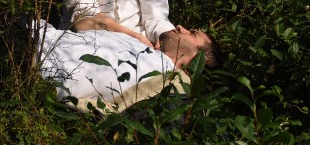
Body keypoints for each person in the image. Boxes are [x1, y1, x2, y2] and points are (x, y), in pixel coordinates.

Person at [36, 21, 222, 103]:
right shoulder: (142, 45)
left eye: (192, 33)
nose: (180, 27)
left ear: (197, 60)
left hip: (34, 58)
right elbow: (85, 22)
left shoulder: (162, 83)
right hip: (39, 30)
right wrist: (132, 34)